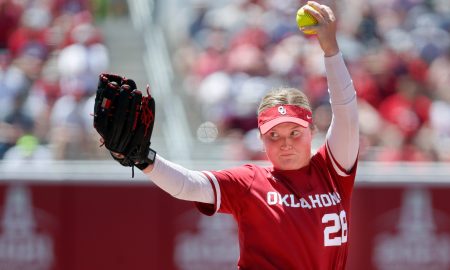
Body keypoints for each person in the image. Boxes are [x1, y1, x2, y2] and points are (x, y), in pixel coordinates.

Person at [116, 1, 359, 269]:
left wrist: (331, 51)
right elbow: (188, 185)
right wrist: (144, 158)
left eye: (294, 132)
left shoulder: (332, 171)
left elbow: (346, 112)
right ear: (261, 139)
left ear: (312, 130)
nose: (286, 142)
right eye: (274, 135)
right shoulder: (250, 183)